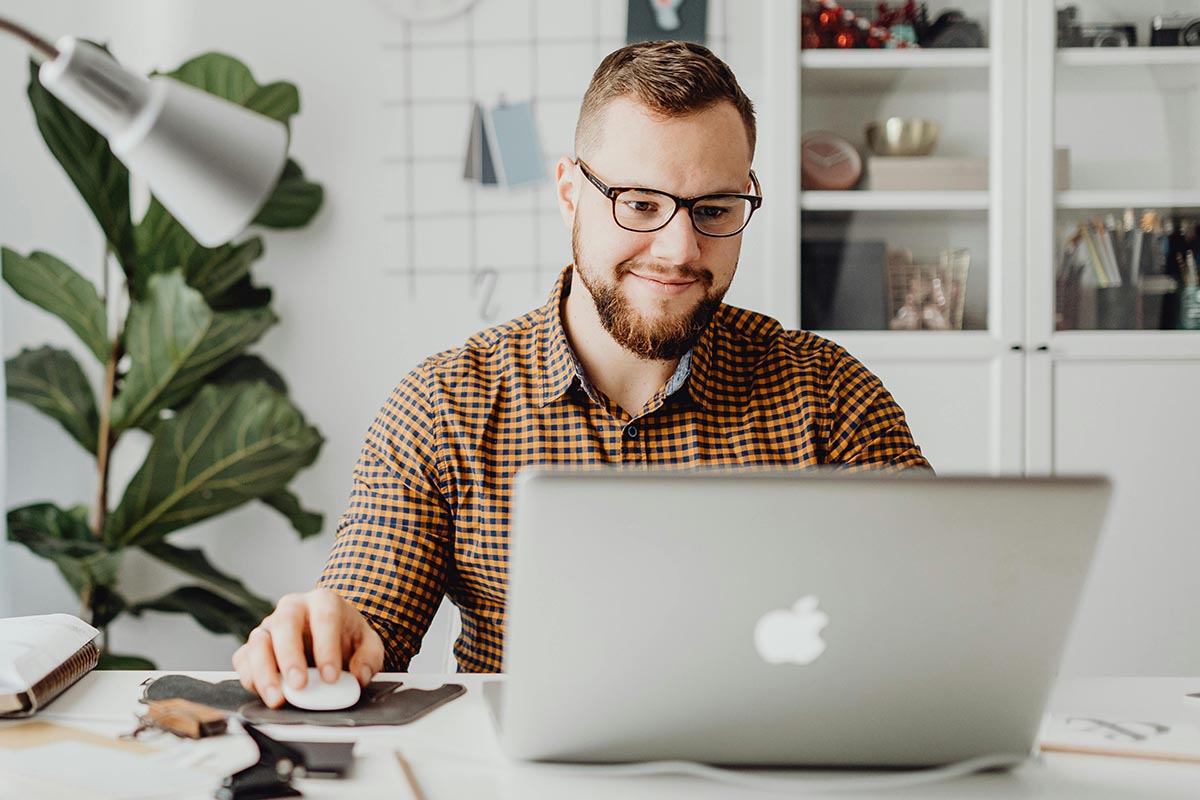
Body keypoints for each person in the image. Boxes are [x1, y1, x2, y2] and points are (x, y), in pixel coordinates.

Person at [233, 40, 930, 707]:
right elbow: (368, 620)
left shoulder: (830, 394)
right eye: (640, 204)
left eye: (715, 210)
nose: (680, 249)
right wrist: (327, 639)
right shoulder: (444, 405)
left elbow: (940, 609)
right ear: (570, 191)